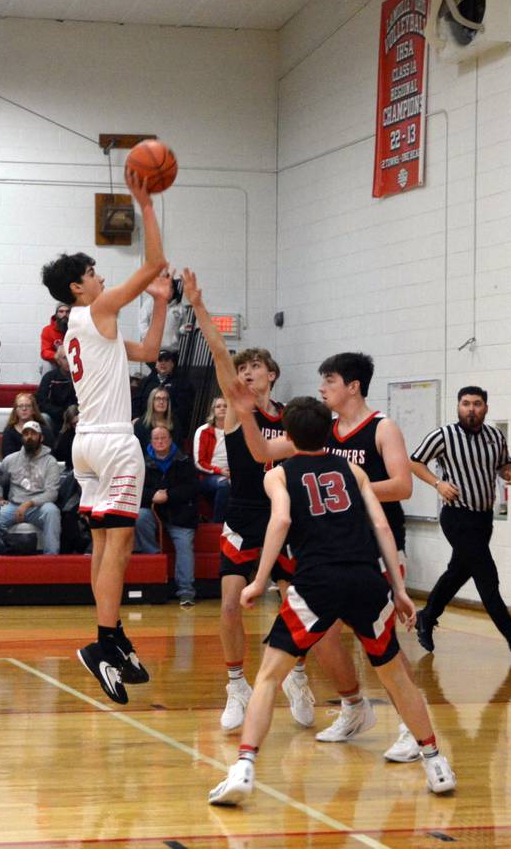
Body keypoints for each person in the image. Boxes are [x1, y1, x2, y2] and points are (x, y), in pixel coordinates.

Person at [207, 396, 456, 806]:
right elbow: (381, 524)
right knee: (394, 675)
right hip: (365, 579)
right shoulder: (354, 469)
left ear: (287, 435)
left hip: (316, 583)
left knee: (269, 675)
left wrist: (260, 580)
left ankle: (244, 768)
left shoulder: (279, 475)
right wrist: (398, 589)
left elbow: (282, 520)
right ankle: (435, 761)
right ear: (329, 433)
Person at [228, 349, 419, 761]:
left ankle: (410, 727)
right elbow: (263, 452)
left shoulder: (383, 428)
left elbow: (403, 486)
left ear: (352, 386)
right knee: (323, 637)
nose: (321, 388)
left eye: (329, 381)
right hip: (337, 549)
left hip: (379, 545)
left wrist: (351, 492)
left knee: (385, 643)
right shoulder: (324, 430)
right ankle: (353, 706)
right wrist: (245, 412)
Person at [40, 170, 169, 705]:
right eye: (94, 272)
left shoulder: (79, 327)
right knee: (119, 546)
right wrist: (145, 204)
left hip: (85, 445)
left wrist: (161, 303)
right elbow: (154, 263)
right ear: (79, 286)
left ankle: (110, 636)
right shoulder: (95, 310)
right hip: (114, 443)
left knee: (102, 546)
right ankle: (104, 641)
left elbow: (144, 354)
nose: (100, 278)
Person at [182, 271, 315, 732]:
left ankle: (298, 675)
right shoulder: (240, 413)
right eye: (240, 370)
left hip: (287, 517)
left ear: (271, 374)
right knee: (230, 604)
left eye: (253, 367)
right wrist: (199, 306)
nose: (244, 373)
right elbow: (219, 351)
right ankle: (236, 685)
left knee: (293, 603)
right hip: (242, 514)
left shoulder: (294, 418)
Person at [410, 386, 511, 658]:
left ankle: (426, 616)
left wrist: (510, 475)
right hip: (457, 515)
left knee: (459, 572)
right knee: (487, 576)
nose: (471, 409)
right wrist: (438, 484)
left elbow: (503, 464)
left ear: (485, 407)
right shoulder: (444, 435)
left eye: (477, 404)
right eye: (465, 403)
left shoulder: (495, 436)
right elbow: (414, 462)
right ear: (458, 407)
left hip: (484, 517)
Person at [134, 425, 200, 606]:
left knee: (185, 545)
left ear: (170, 440)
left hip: (181, 514)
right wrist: (153, 496)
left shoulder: (184, 460)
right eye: (156, 438)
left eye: (164, 438)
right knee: (140, 517)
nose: (160, 441)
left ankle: (186, 591)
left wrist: (169, 495)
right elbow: (137, 489)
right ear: (151, 442)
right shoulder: (142, 463)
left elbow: (193, 488)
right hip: (153, 512)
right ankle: (155, 561)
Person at [0, 421, 62, 555]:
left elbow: (52, 493)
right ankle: (1, 557)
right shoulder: (10, 459)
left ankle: (51, 558)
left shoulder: (50, 462)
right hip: (13, 505)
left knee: (52, 512)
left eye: (33, 434)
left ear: (41, 438)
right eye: (26, 434)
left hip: (39, 506)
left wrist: (28, 503)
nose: (29, 437)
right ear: (22, 438)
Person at [132, 348, 194, 439]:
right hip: (145, 425)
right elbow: (135, 401)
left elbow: (184, 408)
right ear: (156, 364)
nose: (163, 363)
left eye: (166, 360)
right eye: (160, 360)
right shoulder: (146, 382)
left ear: (172, 364)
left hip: (170, 426)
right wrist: (136, 417)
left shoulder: (182, 384)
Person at [192, 396, 230, 523]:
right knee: (224, 484)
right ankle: (217, 522)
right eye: (218, 406)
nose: (222, 409)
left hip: (232, 473)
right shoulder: (203, 431)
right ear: (213, 410)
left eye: (225, 406)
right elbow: (199, 462)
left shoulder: (236, 431)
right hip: (208, 475)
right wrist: (220, 471)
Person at [138, 275, 187, 353]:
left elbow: (182, 327)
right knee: (158, 364)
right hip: (152, 350)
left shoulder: (180, 307)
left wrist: (184, 329)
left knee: (168, 364)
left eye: (170, 287)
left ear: (174, 290)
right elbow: (142, 323)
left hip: (172, 351)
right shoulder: (149, 303)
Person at [0, 393, 55, 459]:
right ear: (16, 410)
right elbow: (7, 457)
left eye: (28, 406)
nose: (24, 409)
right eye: (20, 406)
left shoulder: (45, 431)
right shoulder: (9, 431)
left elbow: (49, 455)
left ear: (33, 410)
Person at [36, 347, 77, 433]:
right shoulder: (49, 378)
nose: (69, 361)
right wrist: (62, 413)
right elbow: (41, 403)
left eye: (71, 357)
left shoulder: (82, 379)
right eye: (65, 358)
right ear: (58, 361)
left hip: (77, 417)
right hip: (55, 418)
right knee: (44, 417)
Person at [52, 404, 78, 470]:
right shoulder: (64, 437)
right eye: (74, 424)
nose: (78, 426)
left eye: (78, 422)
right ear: (70, 424)